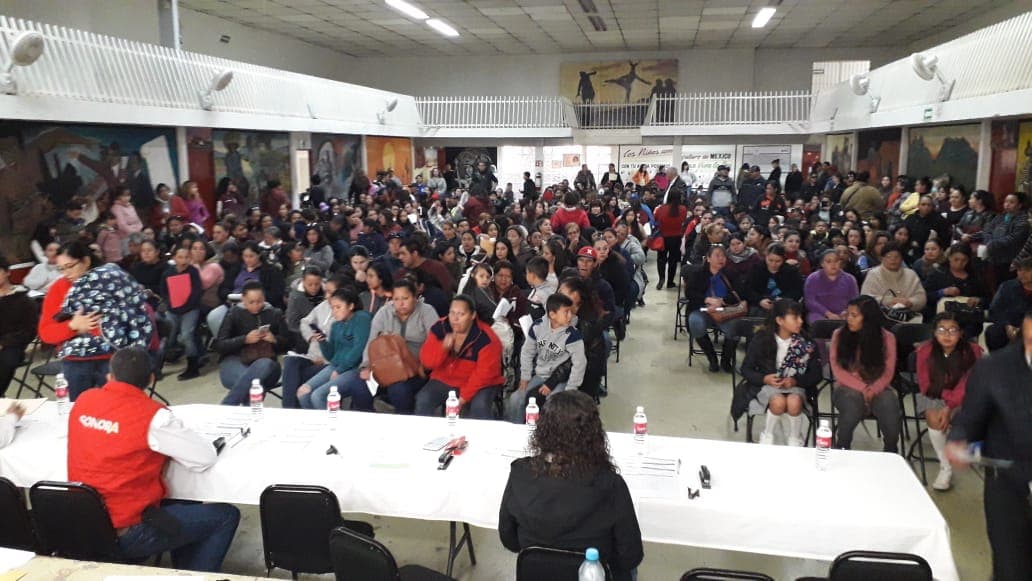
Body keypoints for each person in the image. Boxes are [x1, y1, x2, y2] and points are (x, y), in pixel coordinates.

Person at [66, 347, 240, 572]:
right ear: (150, 379)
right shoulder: (152, 416)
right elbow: (204, 458)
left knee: (186, 501)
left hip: (81, 522)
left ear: (110, 376)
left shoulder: (84, 400)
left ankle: (184, 571)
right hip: (127, 530)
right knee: (226, 516)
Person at [498, 390, 643, 581]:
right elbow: (630, 556)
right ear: (594, 435)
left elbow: (509, 539)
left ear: (543, 430)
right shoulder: (610, 484)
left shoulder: (520, 473)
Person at [946, 311, 1032, 580]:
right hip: (1008, 481)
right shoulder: (994, 368)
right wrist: (959, 439)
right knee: (1011, 567)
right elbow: (971, 418)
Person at [40, 242, 153, 400]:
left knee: (119, 406)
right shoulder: (58, 288)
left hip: (115, 359)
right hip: (75, 361)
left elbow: (136, 317)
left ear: (86, 261)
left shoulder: (112, 279)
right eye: (61, 269)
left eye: (70, 266)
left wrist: (104, 326)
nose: (66, 273)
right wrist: (72, 326)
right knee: (79, 407)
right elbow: (46, 333)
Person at [738, 299, 821, 446]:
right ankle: (767, 434)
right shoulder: (762, 339)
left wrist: (796, 381)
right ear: (780, 321)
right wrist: (765, 378)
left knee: (794, 402)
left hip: (797, 386)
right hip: (767, 385)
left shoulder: (806, 343)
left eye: (801, 316)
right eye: (795, 317)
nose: (800, 321)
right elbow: (746, 369)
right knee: (778, 402)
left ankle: (795, 437)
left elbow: (816, 374)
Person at [915, 312, 982, 491]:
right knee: (934, 417)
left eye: (953, 330)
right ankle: (945, 467)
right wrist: (945, 403)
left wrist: (949, 406)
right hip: (933, 395)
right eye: (941, 330)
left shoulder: (973, 351)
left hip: (964, 397)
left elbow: (967, 384)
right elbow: (926, 385)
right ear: (934, 332)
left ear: (961, 333)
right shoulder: (924, 350)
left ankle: (963, 443)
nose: (947, 334)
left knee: (963, 414)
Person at [415, 295, 505, 420]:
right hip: (445, 378)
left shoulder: (487, 338)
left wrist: (462, 398)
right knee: (423, 399)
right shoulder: (440, 327)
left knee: (480, 407)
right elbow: (427, 363)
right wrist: (443, 348)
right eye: (452, 313)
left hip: (480, 383)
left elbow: (484, 374)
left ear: (472, 315)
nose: (455, 319)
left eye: (461, 314)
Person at [829, 296, 900, 452]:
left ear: (868, 318)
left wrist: (874, 389)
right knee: (852, 405)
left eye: (854, 315)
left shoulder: (887, 338)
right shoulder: (839, 335)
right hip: (847, 387)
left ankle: (891, 451)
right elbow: (838, 370)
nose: (849, 319)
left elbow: (888, 371)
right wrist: (863, 388)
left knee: (889, 404)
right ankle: (842, 448)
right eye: (847, 314)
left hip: (878, 386)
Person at [507, 293, 586, 423]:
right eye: (566, 312)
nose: (570, 316)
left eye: (570, 312)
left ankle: (550, 434)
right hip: (539, 375)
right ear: (552, 314)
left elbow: (579, 363)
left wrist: (571, 389)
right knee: (516, 399)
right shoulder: (537, 327)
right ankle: (516, 430)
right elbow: (527, 352)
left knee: (554, 404)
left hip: (561, 380)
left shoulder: (573, 335)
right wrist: (525, 376)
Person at [213, 281, 290, 405]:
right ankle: (249, 413)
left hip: (266, 362)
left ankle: (227, 406)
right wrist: (244, 339)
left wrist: (275, 339)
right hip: (235, 359)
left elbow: (289, 343)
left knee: (263, 367)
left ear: (264, 298)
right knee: (255, 385)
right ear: (243, 299)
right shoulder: (234, 313)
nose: (255, 306)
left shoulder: (274, 313)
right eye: (251, 302)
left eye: (259, 301)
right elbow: (220, 345)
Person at [296, 288, 371, 409]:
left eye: (338, 307)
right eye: (332, 308)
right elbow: (331, 356)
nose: (334, 311)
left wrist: (340, 370)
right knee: (303, 392)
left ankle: (333, 421)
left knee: (318, 396)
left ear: (351, 306)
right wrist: (322, 341)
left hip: (355, 368)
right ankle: (317, 421)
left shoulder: (362, 318)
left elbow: (359, 349)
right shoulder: (336, 325)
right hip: (335, 366)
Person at [283, 275, 344, 409]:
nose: (326, 296)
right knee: (290, 362)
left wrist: (325, 359)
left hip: (327, 362)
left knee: (293, 376)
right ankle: (289, 410)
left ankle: (289, 410)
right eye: (326, 292)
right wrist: (311, 336)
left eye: (330, 292)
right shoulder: (323, 306)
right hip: (312, 356)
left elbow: (344, 348)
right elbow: (305, 322)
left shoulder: (344, 313)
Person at [683, 244, 742, 373]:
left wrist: (722, 301)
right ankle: (712, 358)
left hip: (725, 311)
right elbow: (690, 293)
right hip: (702, 309)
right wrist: (707, 300)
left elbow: (739, 293)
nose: (721, 259)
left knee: (736, 326)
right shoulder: (698, 273)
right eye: (717, 256)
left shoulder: (730, 273)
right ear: (708, 258)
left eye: (723, 256)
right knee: (695, 322)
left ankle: (726, 360)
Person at [160, 247, 204, 380]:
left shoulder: (193, 272)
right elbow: (164, 291)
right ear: (174, 258)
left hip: (190, 309)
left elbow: (196, 291)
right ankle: (157, 366)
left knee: (186, 335)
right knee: (167, 335)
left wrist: (185, 305)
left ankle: (193, 366)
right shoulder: (167, 273)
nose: (183, 260)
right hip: (173, 309)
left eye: (186, 257)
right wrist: (170, 303)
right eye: (180, 257)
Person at [860, 242, 927, 321]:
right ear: (882, 258)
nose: (893, 259)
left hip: (909, 318)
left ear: (902, 259)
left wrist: (910, 302)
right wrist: (888, 301)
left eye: (897, 256)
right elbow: (865, 299)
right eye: (889, 256)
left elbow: (921, 297)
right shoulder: (873, 274)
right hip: (880, 318)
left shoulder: (911, 274)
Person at [0, 258, 38, 397]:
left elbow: (29, 331)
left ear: (7, 272)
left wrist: (3, 342)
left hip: (12, 346)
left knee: (6, 360)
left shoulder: (23, 300)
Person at [743, 243, 803, 317]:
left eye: (778, 261)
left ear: (783, 259)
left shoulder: (791, 271)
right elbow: (748, 289)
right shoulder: (756, 268)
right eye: (770, 260)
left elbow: (797, 291)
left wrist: (783, 300)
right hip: (759, 304)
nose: (773, 264)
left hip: (784, 304)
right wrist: (759, 300)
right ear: (765, 257)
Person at [985, 258, 1032, 351]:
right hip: (1009, 325)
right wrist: (1007, 325)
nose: (1022, 274)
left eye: (1027, 270)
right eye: (1019, 270)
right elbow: (994, 311)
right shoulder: (1007, 286)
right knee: (993, 332)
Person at [984, 192, 1030, 287]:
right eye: (1006, 201)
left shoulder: (1023, 220)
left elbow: (1013, 238)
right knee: (994, 283)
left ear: (1019, 205)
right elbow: (988, 230)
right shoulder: (1000, 216)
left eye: (1011, 202)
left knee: (1007, 285)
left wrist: (993, 243)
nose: (1007, 204)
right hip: (994, 256)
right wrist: (988, 241)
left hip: (1009, 259)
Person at [804, 249, 858, 325]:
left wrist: (846, 311)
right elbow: (810, 301)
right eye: (829, 261)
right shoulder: (812, 278)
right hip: (819, 314)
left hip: (844, 314)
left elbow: (854, 300)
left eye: (836, 261)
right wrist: (828, 313)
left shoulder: (850, 279)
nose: (833, 264)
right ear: (822, 264)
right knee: (819, 323)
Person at [653, 190, 686, 290]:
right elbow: (683, 221)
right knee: (673, 260)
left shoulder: (661, 209)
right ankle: (670, 282)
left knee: (661, 259)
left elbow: (656, 219)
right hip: (676, 238)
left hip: (663, 238)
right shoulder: (683, 209)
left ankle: (661, 278)